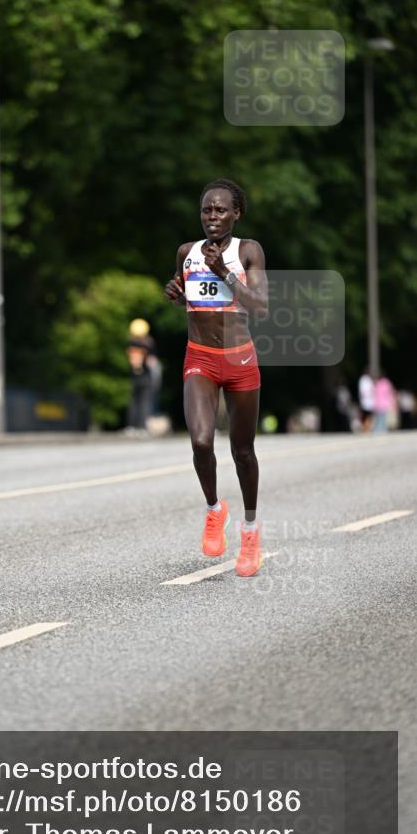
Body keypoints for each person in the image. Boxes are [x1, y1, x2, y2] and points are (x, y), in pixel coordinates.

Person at [164, 178, 267, 576]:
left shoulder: (249, 251)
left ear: (236, 214)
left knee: (243, 451)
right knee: (201, 440)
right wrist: (176, 293)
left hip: (240, 360)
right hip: (200, 359)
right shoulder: (186, 252)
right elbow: (190, 295)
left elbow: (260, 307)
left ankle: (251, 530)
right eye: (207, 210)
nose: (212, 217)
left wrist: (224, 271)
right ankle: (214, 509)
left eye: (221, 210)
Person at [125, 320, 154, 435]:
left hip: (135, 376)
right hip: (145, 376)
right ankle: (141, 427)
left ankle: (132, 427)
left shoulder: (130, 344)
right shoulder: (149, 344)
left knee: (134, 402)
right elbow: (152, 361)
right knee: (143, 403)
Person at [357, 369, 375, 433]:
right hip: (366, 400)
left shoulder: (366, 379)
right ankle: (365, 427)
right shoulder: (365, 379)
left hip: (368, 401)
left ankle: (366, 427)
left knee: (367, 415)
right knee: (366, 415)